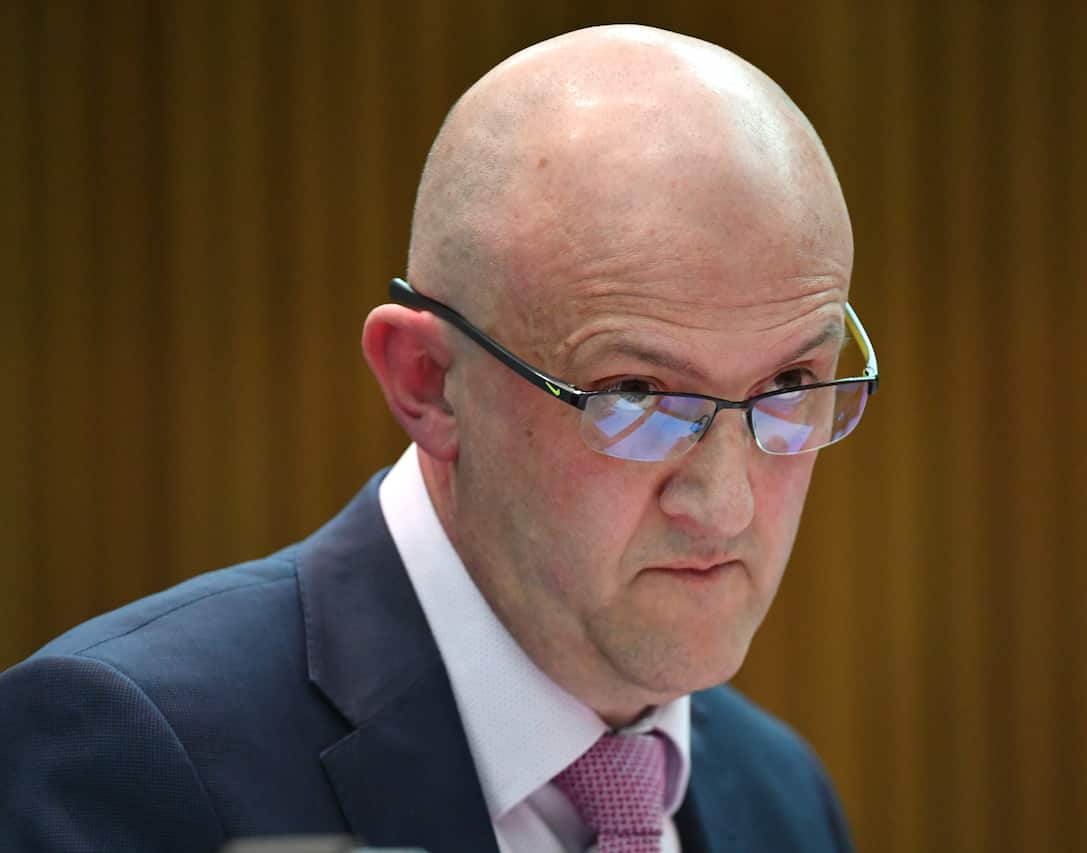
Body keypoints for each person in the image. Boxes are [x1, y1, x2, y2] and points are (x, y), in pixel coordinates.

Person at [0, 24, 877, 853]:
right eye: (635, 393)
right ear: (428, 381)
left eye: (791, 384)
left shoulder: (781, 793)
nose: (725, 505)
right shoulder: (131, 761)